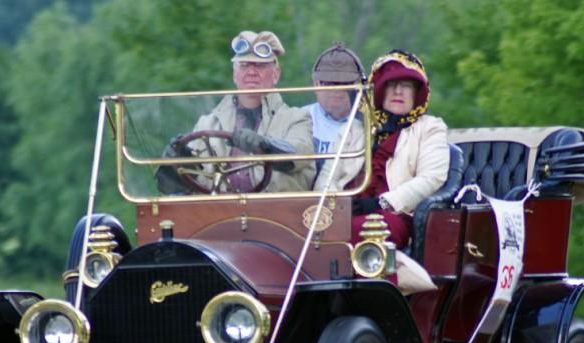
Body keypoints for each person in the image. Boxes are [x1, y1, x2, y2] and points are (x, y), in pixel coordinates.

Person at [319, 49, 450, 247]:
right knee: (307, 228)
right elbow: (327, 177)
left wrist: (381, 203)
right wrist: (331, 207)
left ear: (416, 93)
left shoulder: (430, 127)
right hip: (345, 211)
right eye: (391, 84)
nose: (398, 91)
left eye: (406, 85)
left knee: (367, 230)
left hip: (395, 213)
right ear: (380, 91)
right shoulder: (355, 129)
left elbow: (431, 178)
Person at [186, 30, 315, 192]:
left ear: (276, 74)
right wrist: (173, 165)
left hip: (273, 213)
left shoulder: (297, 118)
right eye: (244, 65)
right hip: (217, 213)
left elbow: (298, 153)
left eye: (260, 66)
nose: (251, 72)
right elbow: (188, 179)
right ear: (235, 74)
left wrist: (265, 145)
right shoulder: (208, 123)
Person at [305, 42, 366, 159]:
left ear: (359, 86)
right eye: (329, 83)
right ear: (316, 84)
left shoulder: (369, 125)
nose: (337, 89)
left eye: (345, 83)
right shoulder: (299, 119)